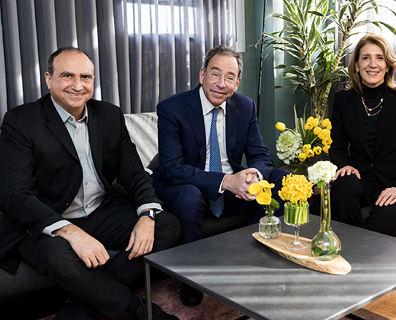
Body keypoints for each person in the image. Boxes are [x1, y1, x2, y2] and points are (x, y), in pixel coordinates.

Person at [0, 47, 181, 320]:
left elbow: (133, 173)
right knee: (57, 257)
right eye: (67, 76)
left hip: (100, 212)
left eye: (85, 76)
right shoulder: (21, 121)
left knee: (166, 225)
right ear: (48, 79)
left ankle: (82, 301)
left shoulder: (108, 115)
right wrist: (71, 232)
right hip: (45, 220)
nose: (77, 85)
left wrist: (146, 214)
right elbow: (15, 194)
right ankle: (135, 308)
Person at [151, 45, 289, 306]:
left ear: (237, 83)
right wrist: (227, 181)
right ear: (202, 75)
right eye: (215, 74)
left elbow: (261, 153)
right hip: (186, 186)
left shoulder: (245, 106)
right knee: (189, 195)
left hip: (230, 190)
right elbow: (172, 168)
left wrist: (254, 177)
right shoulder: (172, 108)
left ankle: (256, 260)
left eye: (229, 77)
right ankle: (191, 278)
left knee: (281, 178)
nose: (221, 84)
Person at [330, 34, 396, 235]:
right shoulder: (343, 100)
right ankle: (348, 245)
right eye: (366, 58)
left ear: (388, 65)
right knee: (342, 185)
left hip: (395, 182)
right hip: (361, 180)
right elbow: (337, 148)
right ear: (356, 65)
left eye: (379, 58)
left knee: (383, 217)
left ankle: (360, 257)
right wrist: (345, 165)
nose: (373, 64)